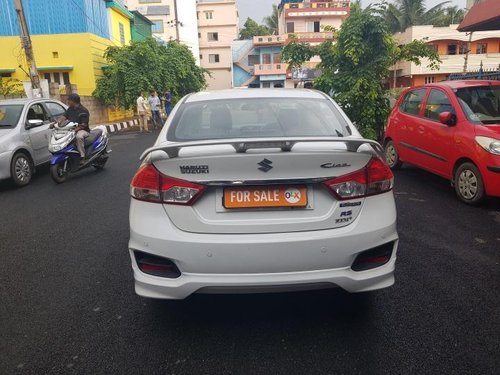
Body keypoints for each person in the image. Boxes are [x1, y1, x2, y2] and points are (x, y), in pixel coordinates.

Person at [56, 93, 90, 165]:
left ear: (73, 101)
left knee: (78, 136)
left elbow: (84, 125)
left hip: (83, 130)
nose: (67, 102)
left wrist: (75, 130)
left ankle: (82, 156)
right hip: (71, 129)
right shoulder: (70, 109)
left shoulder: (83, 110)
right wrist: (58, 122)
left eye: (69, 100)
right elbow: (64, 116)